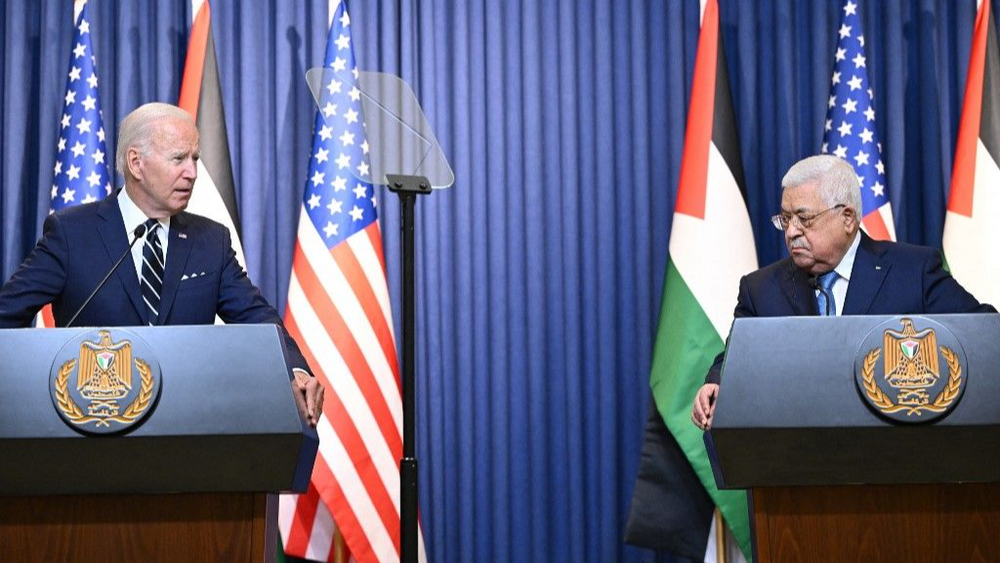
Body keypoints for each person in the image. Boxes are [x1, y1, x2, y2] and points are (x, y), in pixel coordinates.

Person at [0, 102, 324, 426]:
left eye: (194, 158)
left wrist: (295, 370)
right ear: (136, 163)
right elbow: (8, 315)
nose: (192, 172)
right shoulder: (72, 234)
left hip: (186, 434)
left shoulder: (210, 241)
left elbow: (258, 318)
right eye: (178, 158)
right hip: (92, 427)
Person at [691, 155, 994, 430]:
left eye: (804, 218)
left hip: (897, 458)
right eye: (785, 219)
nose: (792, 231)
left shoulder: (912, 271)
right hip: (796, 469)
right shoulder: (760, 289)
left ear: (847, 217)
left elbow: (982, 333)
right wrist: (715, 383)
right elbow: (736, 358)